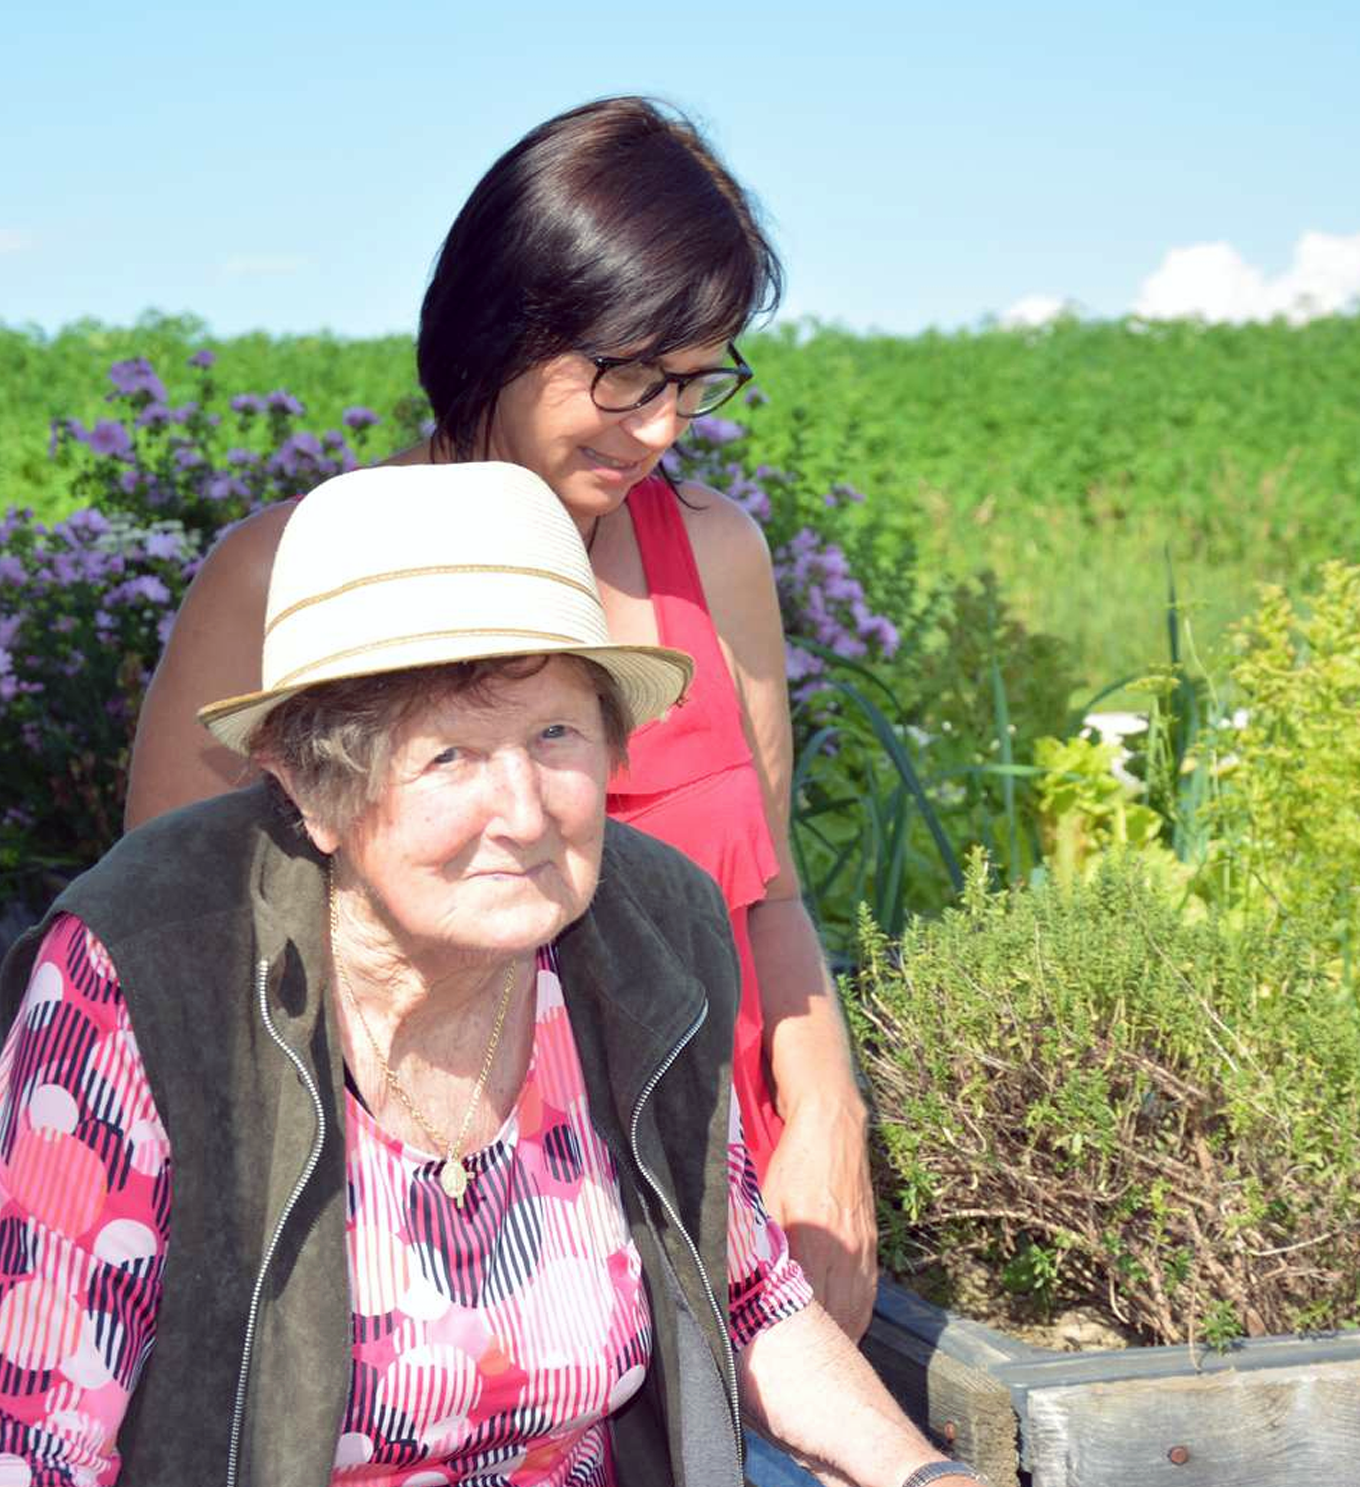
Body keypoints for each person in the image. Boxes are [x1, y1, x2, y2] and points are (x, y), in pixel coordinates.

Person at [0, 464, 979, 1487]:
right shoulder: (148, 970)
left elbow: (744, 1290)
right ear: (315, 788)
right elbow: (25, 1431)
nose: (524, 813)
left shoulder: (649, 929)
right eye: (449, 755)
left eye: (555, 733)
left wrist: (922, 1470)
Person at [123, 95, 878, 1339]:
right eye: (628, 373)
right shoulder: (288, 576)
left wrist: (828, 1127)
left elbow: (772, 893)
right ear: (500, 326)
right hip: (432, 1269)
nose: (662, 428)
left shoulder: (714, 557)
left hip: (728, 1223)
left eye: (696, 381)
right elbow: (174, 952)